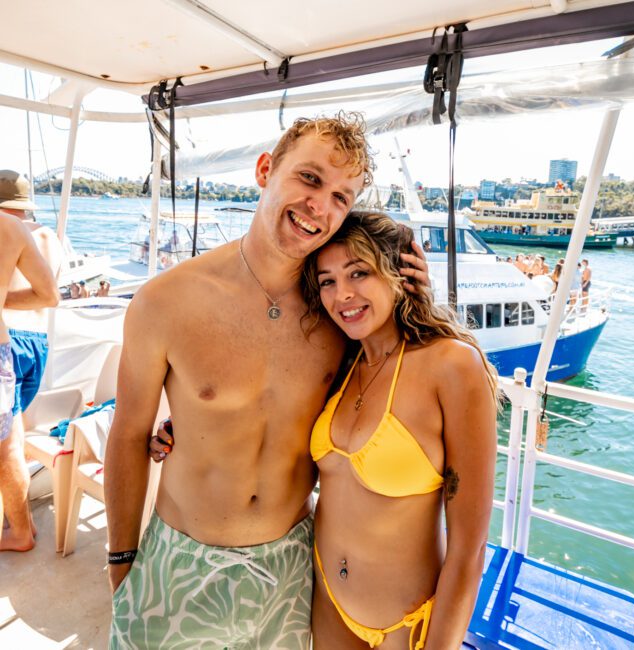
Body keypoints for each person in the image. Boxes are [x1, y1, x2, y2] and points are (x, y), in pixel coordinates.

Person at [105, 114, 430, 649]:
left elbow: (398, 393)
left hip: (292, 563)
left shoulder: (339, 314)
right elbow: (126, 435)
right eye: (310, 178)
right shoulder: (165, 301)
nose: (320, 207)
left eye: (341, 197)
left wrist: (417, 299)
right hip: (181, 559)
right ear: (265, 170)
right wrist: (121, 561)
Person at [153, 211, 498, 648]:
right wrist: (185, 427)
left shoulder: (451, 366)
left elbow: (469, 549)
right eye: (328, 280)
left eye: (360, 273)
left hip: (406, 622)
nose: (343, 295)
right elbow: (270, 420)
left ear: (399, 275)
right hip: (325, 603)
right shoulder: (340, 361)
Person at [0, 176, 60, 552]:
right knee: (11, 441)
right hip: (34, 343)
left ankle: (20, 528)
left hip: (13, 341)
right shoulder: (42, 234)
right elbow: (50, 294)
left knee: (8, 447)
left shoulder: (11, 228)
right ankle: (20, 525)